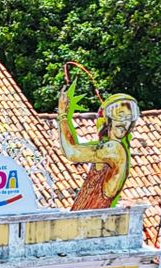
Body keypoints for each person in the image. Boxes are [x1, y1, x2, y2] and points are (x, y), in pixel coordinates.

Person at [57, 73, 140, 210]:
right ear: (108, 119)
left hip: (88, 219)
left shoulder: (114, 149)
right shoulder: (109, 148)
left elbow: (71, 152)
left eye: (129, 118)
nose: (125, 123)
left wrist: (62, 115)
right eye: (120, 116)